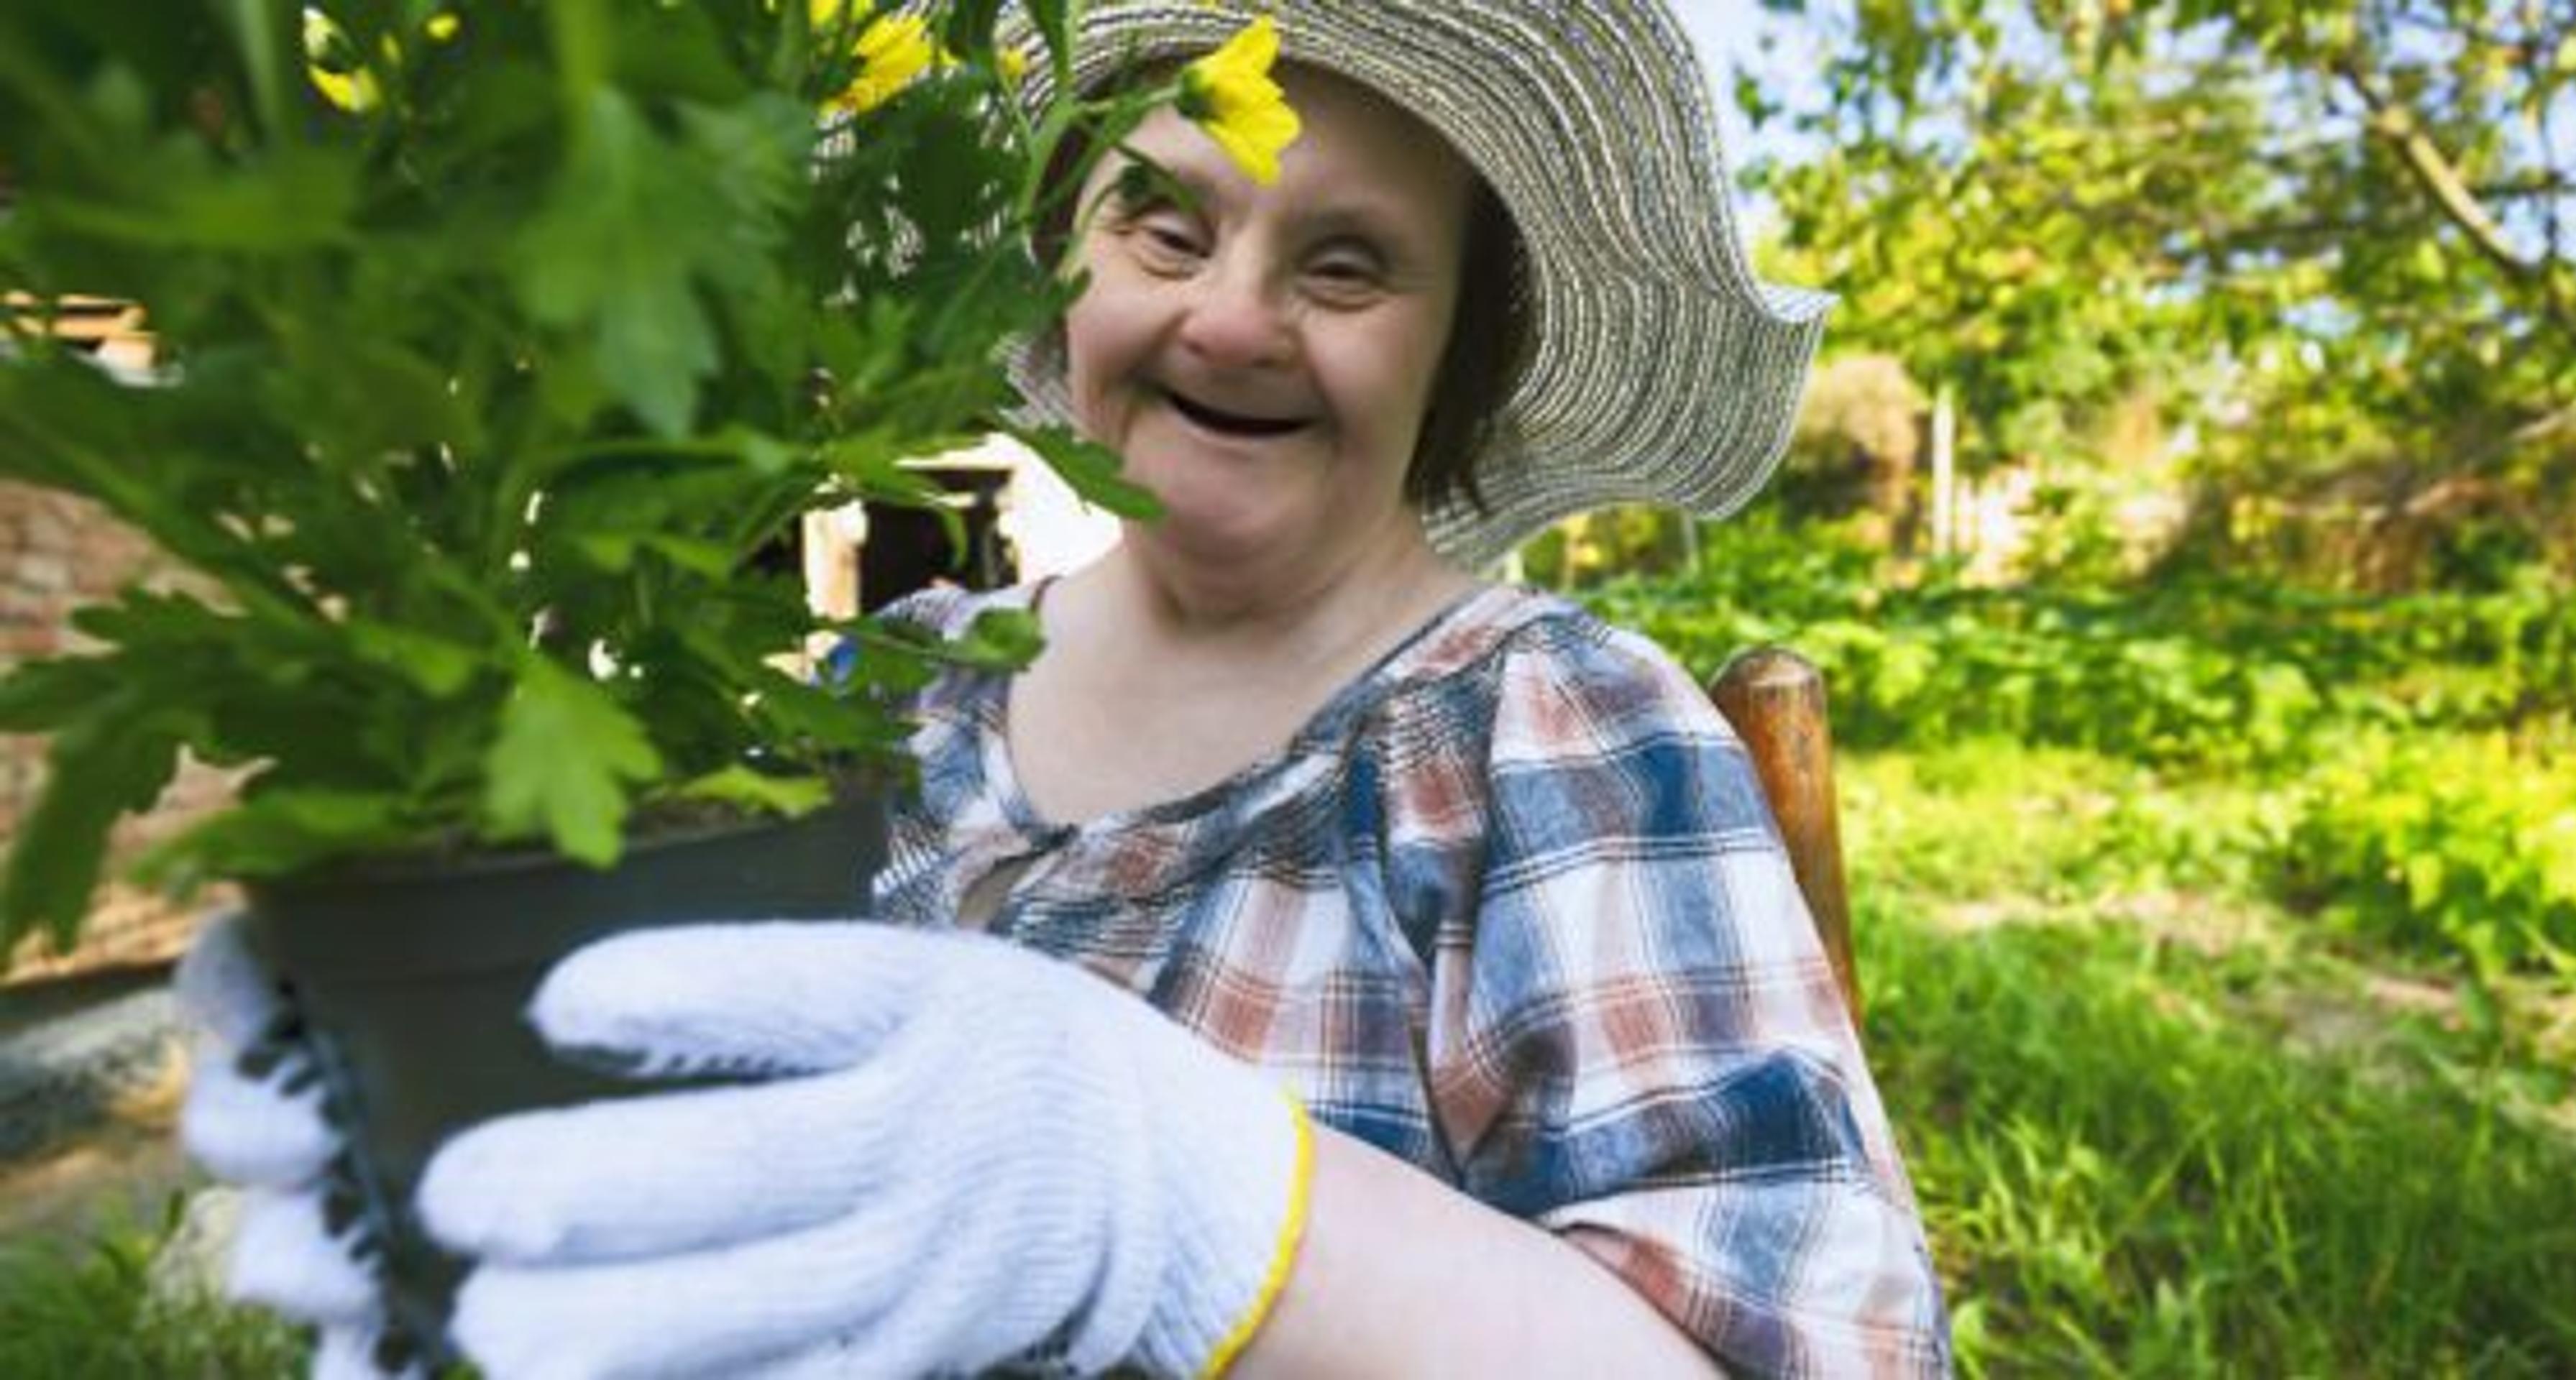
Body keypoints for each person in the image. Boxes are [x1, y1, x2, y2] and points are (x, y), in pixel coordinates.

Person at [177, 1, 1952, 1375]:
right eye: (1165, 231)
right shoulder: (892, 695)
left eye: (1347, 266)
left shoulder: (1543, 731)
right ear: (1056, 268)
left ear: (1458, 347)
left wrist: (1186, 1210)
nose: (1235, 320)